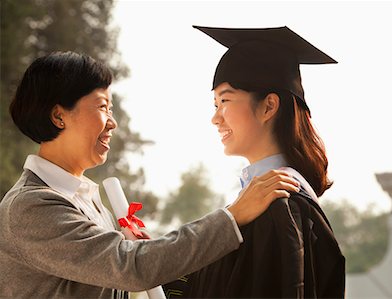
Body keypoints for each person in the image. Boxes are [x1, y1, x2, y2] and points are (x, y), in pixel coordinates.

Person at [0, 51, 301, 298]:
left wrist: (143, 252)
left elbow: (118, 275)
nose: (112, 123)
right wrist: (232, 216)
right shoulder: (31, 207)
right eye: (103, 107)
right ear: (58, 116)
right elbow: (130, 268)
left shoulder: (84, 198)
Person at [163, 26, 346, 298]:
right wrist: (159, 261)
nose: (215, 118)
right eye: (214, 104)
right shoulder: (262, 200)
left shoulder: (281, 206)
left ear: (269, 107)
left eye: (225, 100)